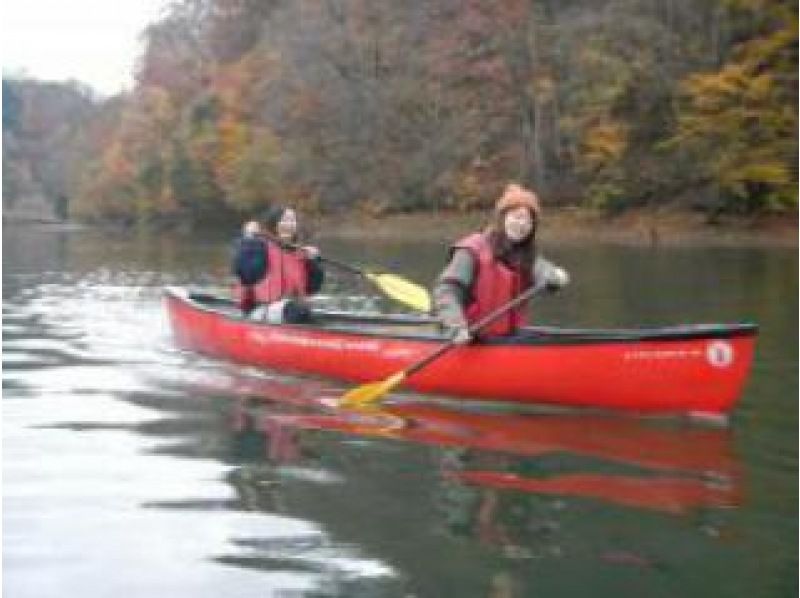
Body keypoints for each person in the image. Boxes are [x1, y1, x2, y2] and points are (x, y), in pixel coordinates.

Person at [434, 183, 569, 343]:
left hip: (507, 338)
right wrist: (455, 326)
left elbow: (541, 269)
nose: (522, 224)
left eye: (528, 221)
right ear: (502, 219)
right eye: (516, 217)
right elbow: (447, 291)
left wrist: (553, 276)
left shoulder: (525, 254)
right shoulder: (471, 250)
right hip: (469, 338)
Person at [232, 206, 325, 320]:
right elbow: (246, 274)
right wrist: (249, 239)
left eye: (292, 220)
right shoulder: (259, 247)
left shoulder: (300, 253)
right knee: (298, 310)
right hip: (260, 309)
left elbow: (313, 288)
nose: (289, 224)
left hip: (293, 311)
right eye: (284, 220)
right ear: (274, 224)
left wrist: (313, 263)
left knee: (302, 311)